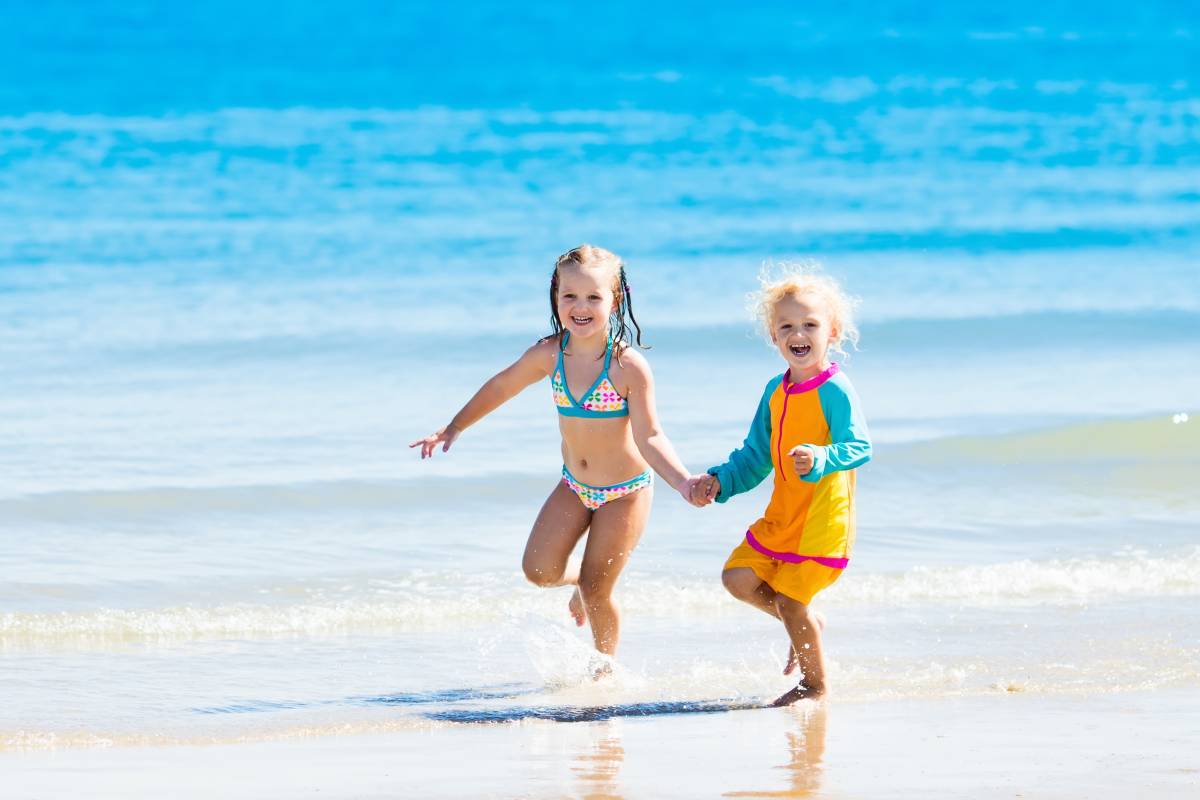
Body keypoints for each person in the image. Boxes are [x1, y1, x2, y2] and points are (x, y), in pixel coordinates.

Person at [411, 244, 697, 660]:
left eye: (594, 298)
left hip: (626, 491)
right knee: (539, 571)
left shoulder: (626, 366)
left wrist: (685, 482)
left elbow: (651, 435)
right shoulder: (549, 354)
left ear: (615, 301)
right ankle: (584, 578)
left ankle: (605, 670)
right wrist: (454, 426)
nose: (580, 307)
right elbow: (501, 386)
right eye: (570, 296)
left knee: (599, 592)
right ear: (555, 297)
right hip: (575, 485)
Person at [691, 268, 871, 705]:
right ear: (774, 336)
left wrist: (822, 456)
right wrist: (721, 481)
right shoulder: (775, 391)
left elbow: (859, 446)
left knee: (791, 601)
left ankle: (815, 685)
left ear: (832, 331)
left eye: (810, 324)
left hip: (822, 519)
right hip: (784, 513)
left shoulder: (836, 390)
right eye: (787, 326)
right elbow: (755, 455)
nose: (799, 333)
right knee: (737, 578)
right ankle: (805, 622)